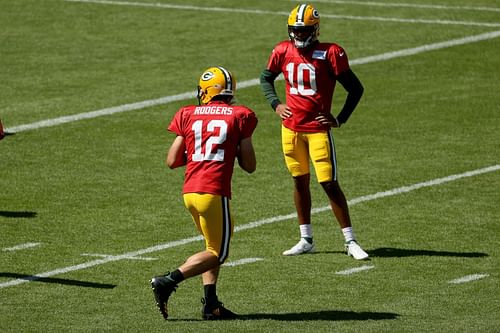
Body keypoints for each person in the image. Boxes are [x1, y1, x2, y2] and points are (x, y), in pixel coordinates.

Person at [260, 4, 368, 260]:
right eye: (295, 30)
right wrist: (276, 104)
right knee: (299, 181)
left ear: (315, 29)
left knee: (329, 183)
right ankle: (306, 238)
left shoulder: (330, 52)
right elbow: (265, 78)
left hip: (317, 130)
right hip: (290, 130)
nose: (298, 34)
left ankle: (350, 240)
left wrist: (339, 119)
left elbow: (356, 88)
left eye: (303, 30)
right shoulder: (282, 50)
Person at [151, 66, 258, 320]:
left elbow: (172, 160)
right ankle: (167, 280)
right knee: (218, 253)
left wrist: (200, 152)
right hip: (213, 191)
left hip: (190, 192)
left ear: (207, 91)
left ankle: (211, 304)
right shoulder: (240, 115)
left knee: (212, 246)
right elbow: (250, 166)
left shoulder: (188, 113)